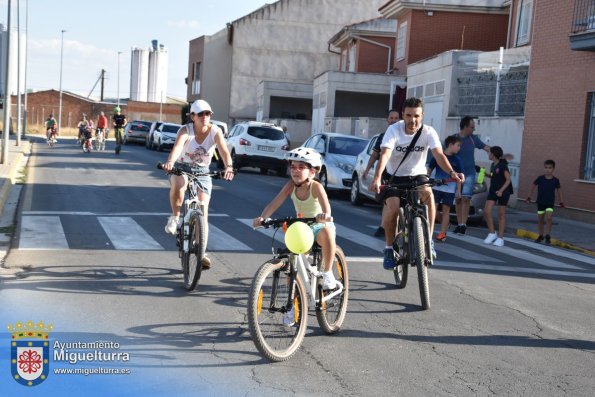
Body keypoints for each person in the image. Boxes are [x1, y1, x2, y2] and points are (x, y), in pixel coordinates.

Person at [369, 97, 463, 270]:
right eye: (409, 115)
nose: (413, 120)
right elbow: (385, 154)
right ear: (403, 115)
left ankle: (428, 240)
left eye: (417, 116)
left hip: (417, 175)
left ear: (422, 115)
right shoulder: (393, 130)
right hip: (393, 176)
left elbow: (439, 155)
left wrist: (452, 173)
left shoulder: (428, 132)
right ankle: (389, 248)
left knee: (428, 195)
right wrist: (377, 177)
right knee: (393, 207)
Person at [252, 147, 338, 290]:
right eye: (292, 167)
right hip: (302, 227)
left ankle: (328, 273)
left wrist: (325, 216)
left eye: (301, 167)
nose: (295, 170)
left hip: (319, 225)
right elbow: (274, 204)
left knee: (327, 233)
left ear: (312, 171)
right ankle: (292, 307)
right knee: (293, 263)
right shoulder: (290, 185)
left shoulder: (316, 187)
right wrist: (262, 218)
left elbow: (326, 207)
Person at [162, 99, 234, 270]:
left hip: (203, 171)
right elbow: (178, 147)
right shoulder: (185, 130)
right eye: (200, 114)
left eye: (207, 113)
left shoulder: (215, 131)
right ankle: (175, 217)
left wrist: (229, 167)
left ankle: (201, 252)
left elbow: (224, 151)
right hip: (182, 167)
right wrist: (170, 162)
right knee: (179, 185)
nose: (204, 117)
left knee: (203, 210)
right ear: (192, 116)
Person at [363, 109, 400, 237]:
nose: (394, 120)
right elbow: (375, 155)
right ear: (387, 120)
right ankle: (383, 226)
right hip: (386, 173)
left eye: (396, 118)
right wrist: (367, 170)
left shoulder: (404, 135)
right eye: (392, 118)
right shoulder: (382, 136)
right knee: (387, 200)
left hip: (402, 173)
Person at [453, 116, 490, 235]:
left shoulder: (473, 139)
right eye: (472, 127)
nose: (473, 129)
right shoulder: (454, 139)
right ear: (465, 127)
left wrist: (498, 154)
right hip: (457, 175)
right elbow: (445, 154)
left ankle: (463, 224)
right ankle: (459, 224)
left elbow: (486, 147)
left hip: (470, 173)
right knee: (458, 199)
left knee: (466, 198)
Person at [427, 135, 463, 242]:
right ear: (450, 145)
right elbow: (429, 169)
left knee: (446, 211)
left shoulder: (457, 160)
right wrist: (427, 181)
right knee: (433, 209)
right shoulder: (439, 156)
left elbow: (460, 176)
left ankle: (442, 234)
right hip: (437, 188)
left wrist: (458, 190)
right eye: (458, 145)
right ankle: (429, 232)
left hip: (450, 190)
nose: (459, 148)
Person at [524, 159, 564, 244]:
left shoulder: (555, 180)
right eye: (546, 167)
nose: (547, 169)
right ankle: (541, 235)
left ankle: (548, 235)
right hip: (540, 202)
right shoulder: (540, 178)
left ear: (553, 169)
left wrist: (561, 201)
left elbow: (559, 190)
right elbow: (533, 185)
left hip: (550, 203)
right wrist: (529, 196)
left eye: (550, 168)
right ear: (544, 168)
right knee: (540, 219)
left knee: (549, 218)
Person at [483, 146, 512, 247]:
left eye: (489, 153)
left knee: (501, 214)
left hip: (503, 192)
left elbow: (508, 179)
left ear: (493, 154)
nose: (488, 154)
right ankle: (492, 233)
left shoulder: (503, 165)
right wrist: (484, 173)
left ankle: (500, 238)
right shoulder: (492, 165)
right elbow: (493, 175)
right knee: (486, 211)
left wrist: (501, 190)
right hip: (493, 191)